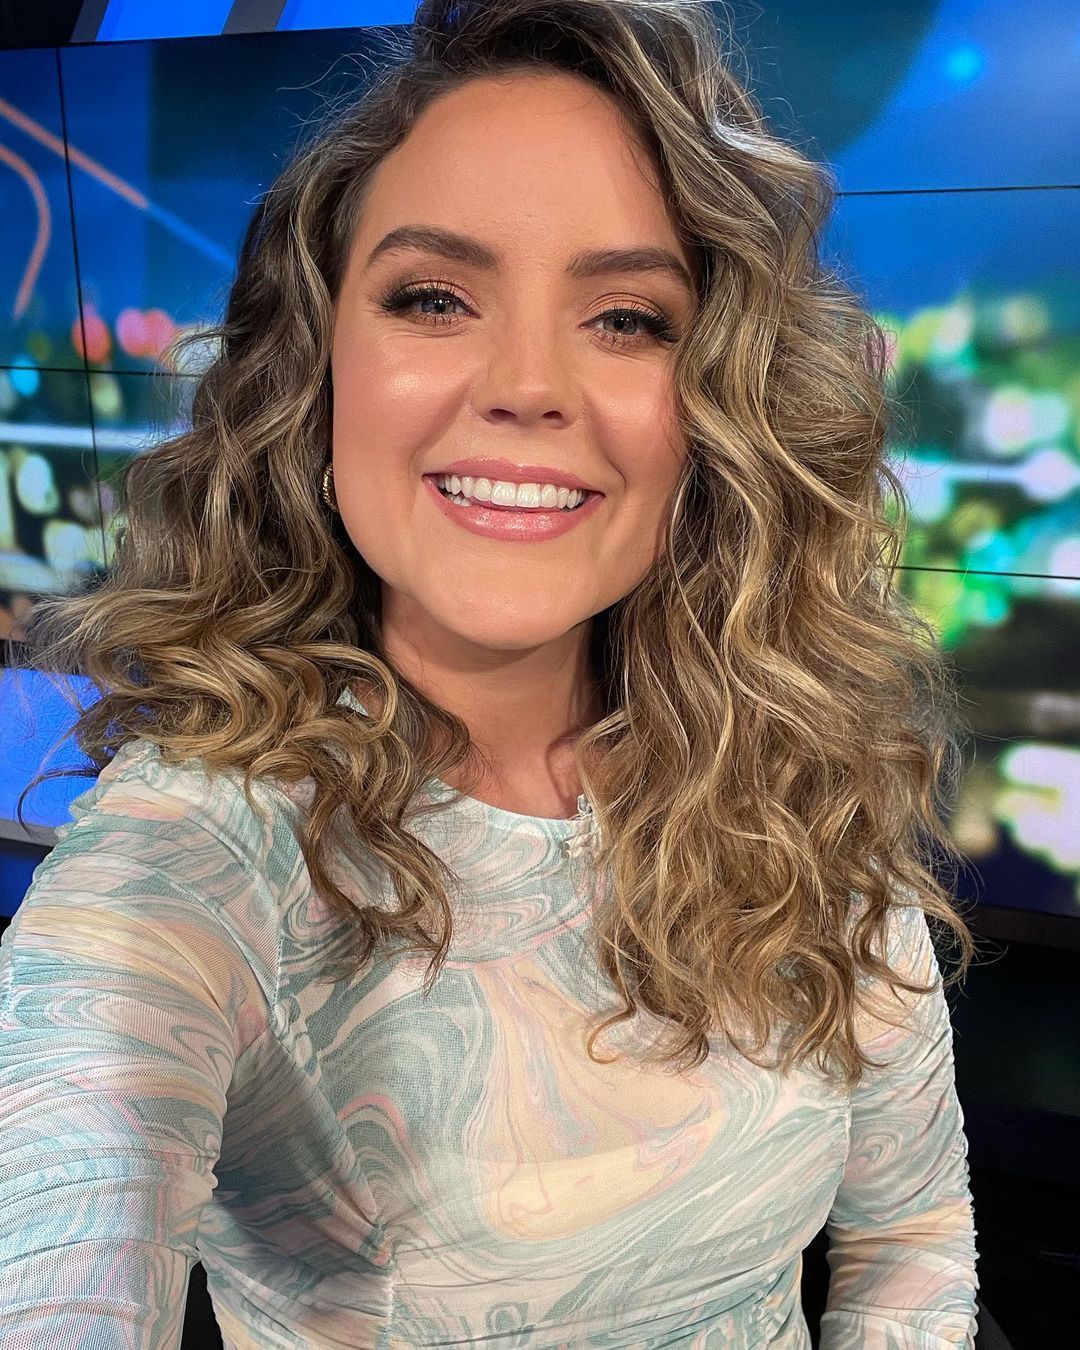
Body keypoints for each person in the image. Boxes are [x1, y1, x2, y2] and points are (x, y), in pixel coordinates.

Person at [0, 0, 981, 1345]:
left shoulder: (794, 771)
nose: (528, 384)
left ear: (716, 404)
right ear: (318, 370)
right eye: (433, 298)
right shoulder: (190, 853)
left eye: (627, 317)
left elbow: (912, 1234)